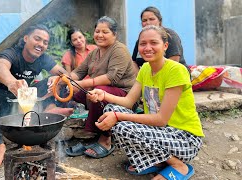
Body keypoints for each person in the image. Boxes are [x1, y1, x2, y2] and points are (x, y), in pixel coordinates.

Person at [87, 25, 204, 179]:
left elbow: (161, 120)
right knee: (110, 108)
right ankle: (160, 162)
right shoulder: (145, 69)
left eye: (153, 43)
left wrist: (117, 116)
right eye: (143, 44)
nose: (147, 48)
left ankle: (178, 165)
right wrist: (103, 95)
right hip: (161, 134)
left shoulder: (176, 70)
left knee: (122, 127)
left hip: (184, 138)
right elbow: (128, 102)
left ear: (165, 46)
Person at [0, 24, 73, 172]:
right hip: (4, 99)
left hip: (25, 99)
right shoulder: (12, 53)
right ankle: (0, 146)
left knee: (59, 82)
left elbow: (65, 75)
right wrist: (11, 82)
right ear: (26, 38)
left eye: (45, 42)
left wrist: (55, 79)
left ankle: (49, 108)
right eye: (37, 39)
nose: (41, 44)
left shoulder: (43, 58)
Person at [65, 16, 136, 159]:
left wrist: (82, 84)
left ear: (114, 34)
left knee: (98, 90)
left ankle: (105, 140)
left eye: (105, 32)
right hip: (98, 90)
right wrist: (66, 80)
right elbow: (78, 73)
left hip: (122, 95)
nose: (99, 35)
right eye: (97, 31)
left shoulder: (119, 50)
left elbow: (111, 78)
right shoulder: (93, 52)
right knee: (69, 90)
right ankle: (87, 129)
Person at [132, 6, 189, 76]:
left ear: (159, 21)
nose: (148, 22)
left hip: (172, 75)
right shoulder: (141, 39)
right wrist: (141, 77)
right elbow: (133, 62)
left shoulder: (170, 35)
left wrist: (156, 77)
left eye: (151, 19)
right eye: (144, 20)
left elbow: (174, 60)